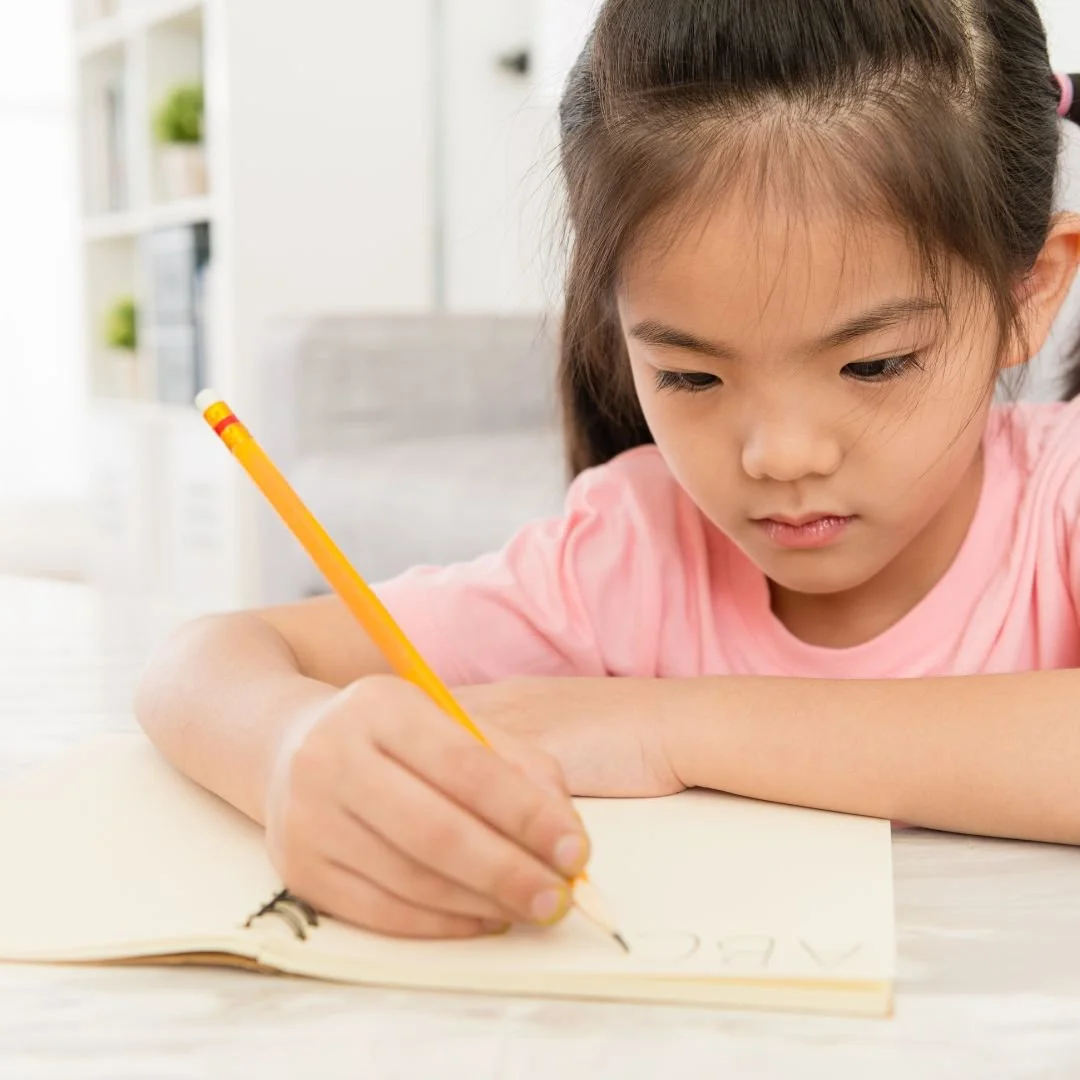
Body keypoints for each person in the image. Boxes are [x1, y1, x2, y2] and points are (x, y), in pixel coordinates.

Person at [136, 0, 1080, 941]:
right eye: (691, 374)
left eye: (872, 365)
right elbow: (199, 662)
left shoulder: (1061, 497)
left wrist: (669, 728)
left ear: (1031, 292)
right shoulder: (624, 553)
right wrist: (289, 751)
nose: (781, 455)